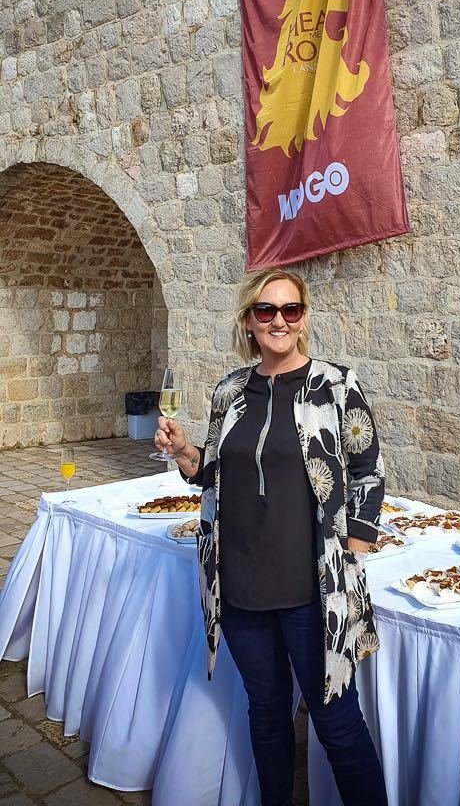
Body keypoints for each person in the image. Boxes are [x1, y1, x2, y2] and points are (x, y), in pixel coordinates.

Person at [155, 267, 387, 806]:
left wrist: (351, 549)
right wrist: (185, 452)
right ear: (249, 321)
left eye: (290, 310)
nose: (279, 320)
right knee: (266, 714)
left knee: (338, 725)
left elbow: (369, 468)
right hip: (240, 588)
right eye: (266, 311)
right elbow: (211, 472)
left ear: (303, 319)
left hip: (313, 593)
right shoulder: (229, 392)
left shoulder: (336, 386)